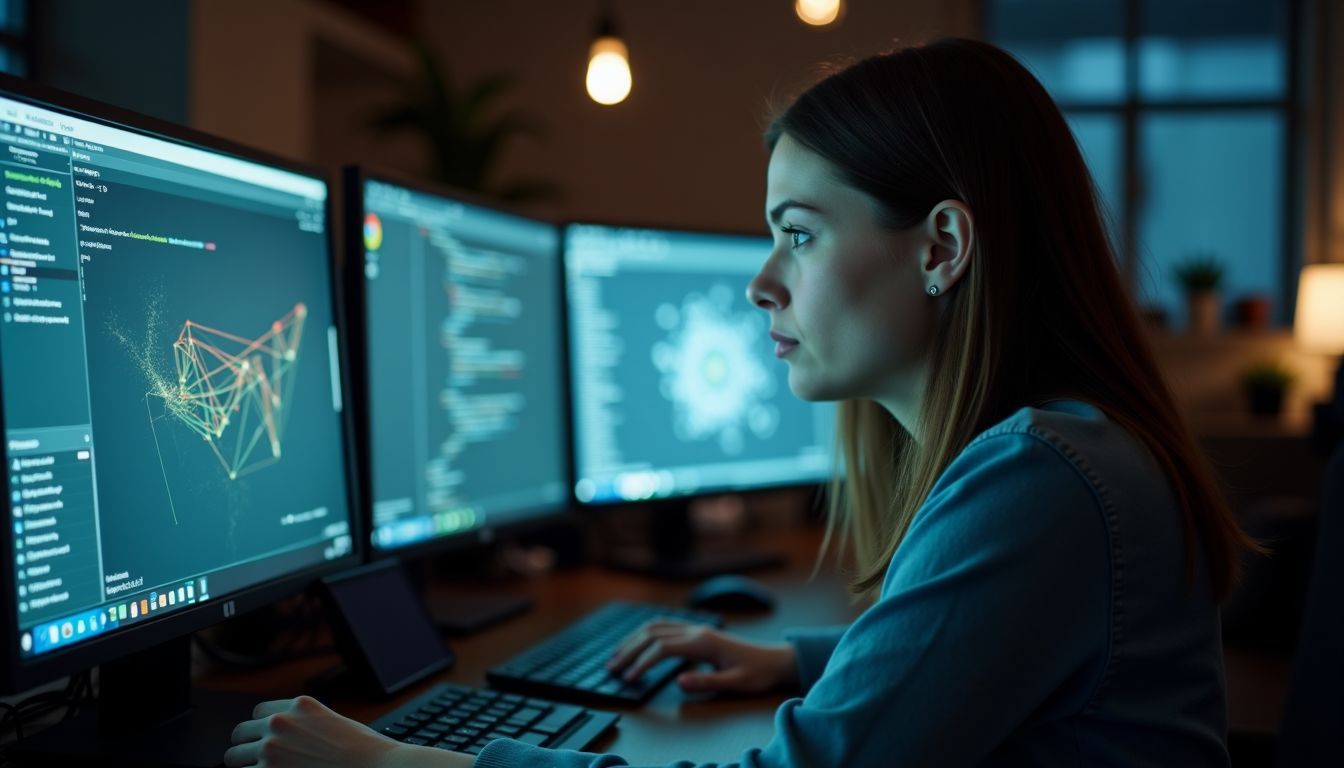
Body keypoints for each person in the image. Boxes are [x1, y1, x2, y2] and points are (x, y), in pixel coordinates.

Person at [224, 37, 1253, 768]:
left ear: (941, 247)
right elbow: (994, 657)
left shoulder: (1038, 482)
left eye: (798, 233)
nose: (762, 282)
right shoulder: (1071, 450)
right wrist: (801, 659)